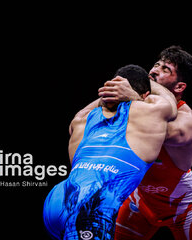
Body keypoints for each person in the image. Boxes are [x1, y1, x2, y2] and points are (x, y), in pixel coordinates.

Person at [43, 64, 177, 240]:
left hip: (58, 200)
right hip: (91, 207)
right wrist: (149, 83)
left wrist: (109, 92)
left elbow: (87, 110)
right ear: (145, 95)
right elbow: (170, 104)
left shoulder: (82, 119)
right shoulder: (148, 112)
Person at [98, 46, 192, 239]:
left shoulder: (187, 120)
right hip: (140, 201)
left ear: (179, 87)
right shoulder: (138, 105)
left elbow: (152, 128)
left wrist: (135, 92)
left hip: (183, 208)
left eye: (165, 69)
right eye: (156, 65)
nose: (153, 71)